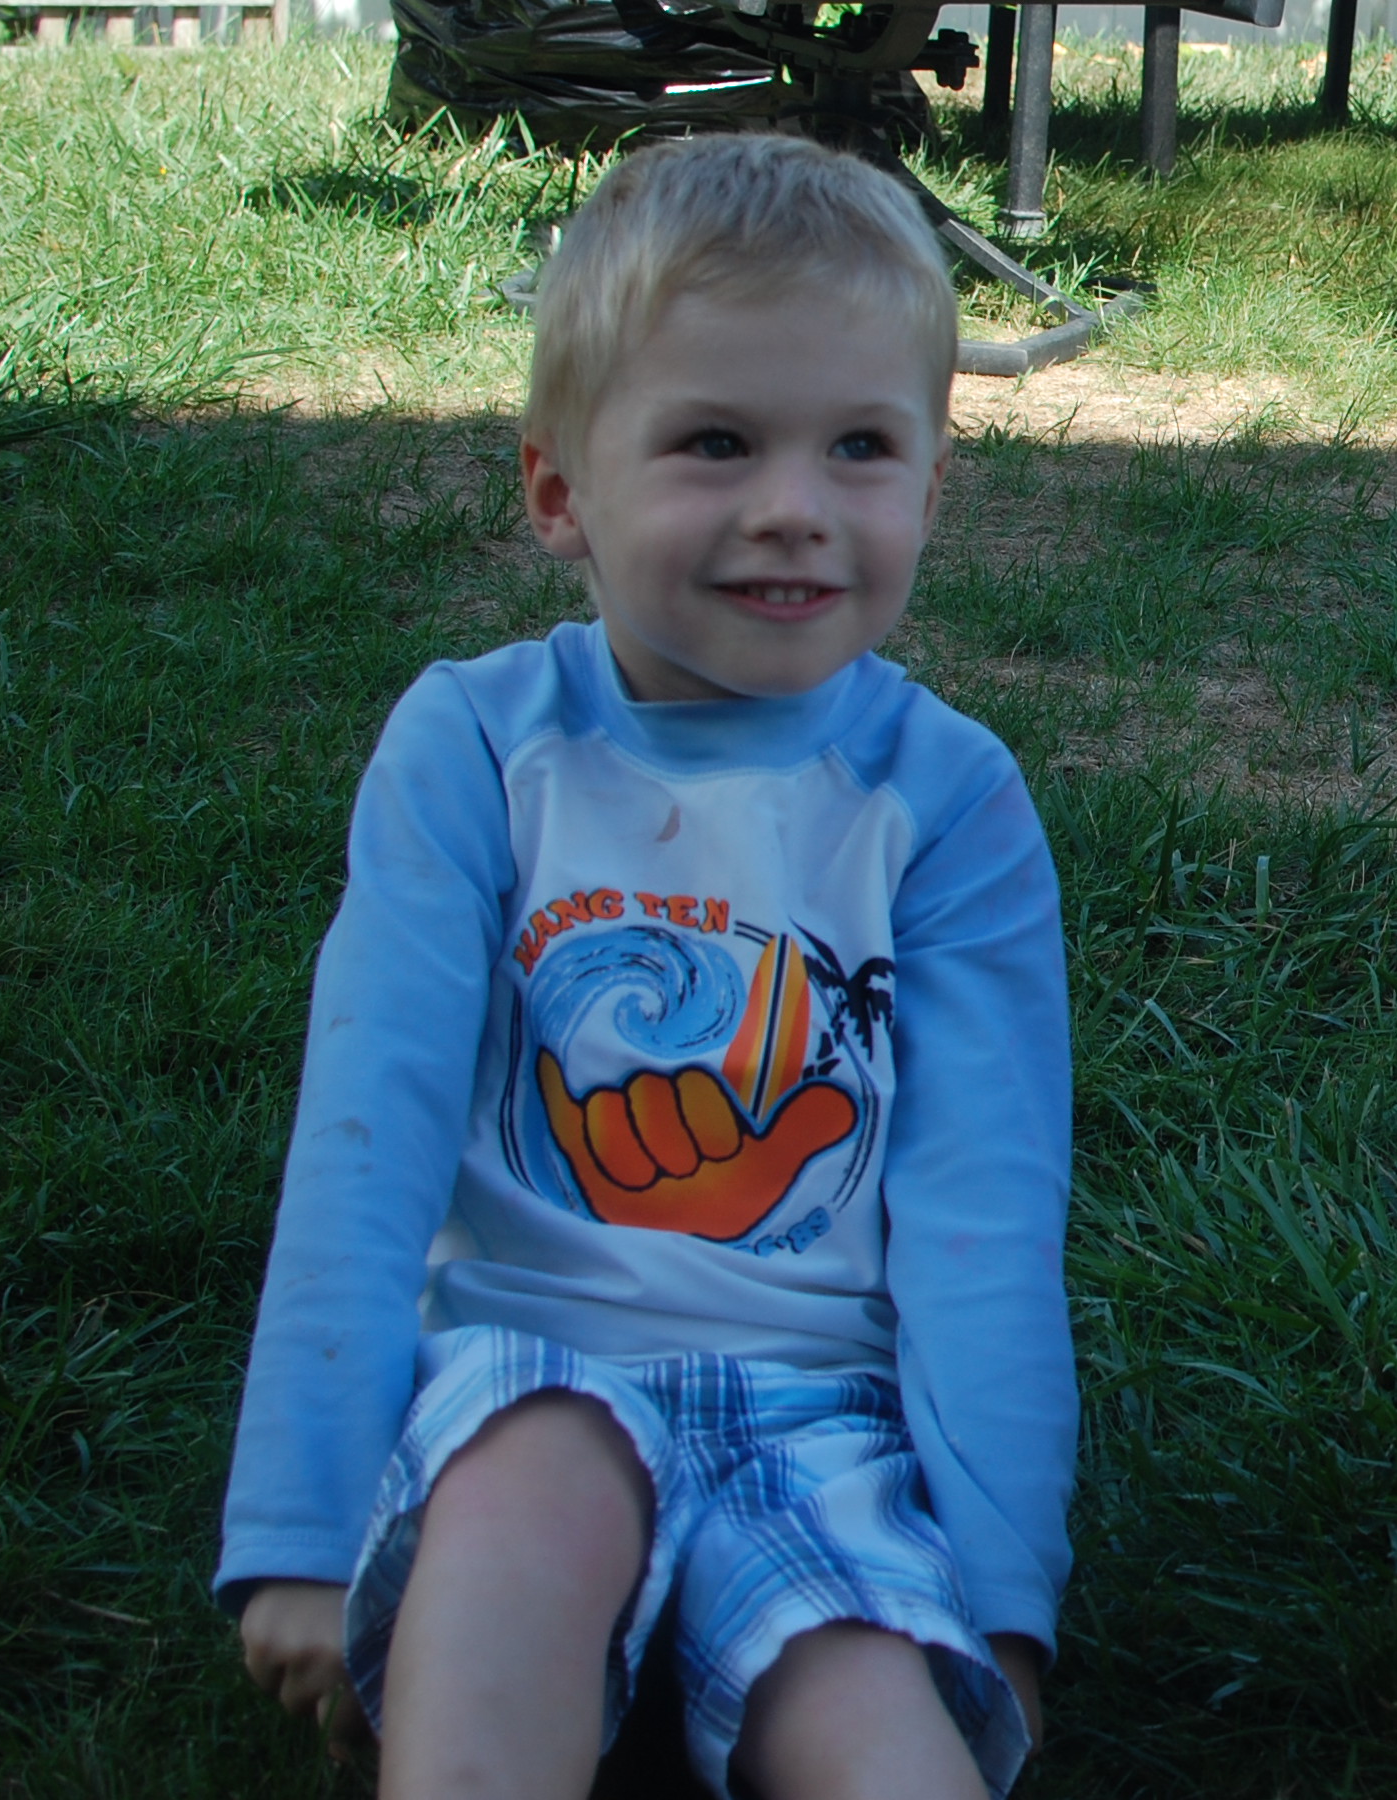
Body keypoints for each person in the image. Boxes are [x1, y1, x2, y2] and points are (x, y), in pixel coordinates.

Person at [216, 134, 1072, 1800]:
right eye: (715, 442)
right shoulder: (475, 748)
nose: (793, 508)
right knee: (523, 1515)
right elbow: (367, 1140)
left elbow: (985, 1216)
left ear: (930, 487)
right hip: (522, 1376)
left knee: (883, 1738)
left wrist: (1001, 1596)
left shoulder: (948, 798)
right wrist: (304, 1529)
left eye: (860, 448)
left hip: (823, 1419)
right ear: (560, 492)